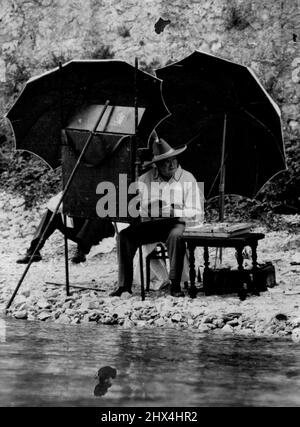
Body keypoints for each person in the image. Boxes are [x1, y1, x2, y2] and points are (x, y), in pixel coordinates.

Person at [110, 137, 203, 298]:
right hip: (152, 224)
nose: (171, 165)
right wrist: (143, 207)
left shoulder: (187, 178)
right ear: (156, 165)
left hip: (177, 223)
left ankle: (175, 284)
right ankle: (124, 285)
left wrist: (173, 210)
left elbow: (196, 211)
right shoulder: (145, 179)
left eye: (173, 160)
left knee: (176, 236)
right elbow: (135, 205)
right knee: (125, 236)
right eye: (166, 162)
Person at [17, 192, 115, 264]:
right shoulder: (73, 187)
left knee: (95, 212)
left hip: (98, 234)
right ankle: (34, 250)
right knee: (52, 213)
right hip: (78, 231)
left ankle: (82, 251)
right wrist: (64, 202)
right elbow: (52, 205)